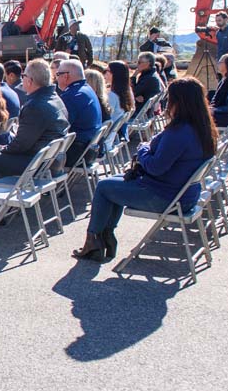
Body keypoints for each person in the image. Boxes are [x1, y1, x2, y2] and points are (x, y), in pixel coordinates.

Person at [71, 77, 215, 261]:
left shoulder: (180, 132)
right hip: (183, 193)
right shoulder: (201, 127)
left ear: (179, 101)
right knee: (112, 182)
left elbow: (156, 167)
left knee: (104, 188)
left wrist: (143, 150)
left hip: (165, 196)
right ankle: (103, 237)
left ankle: (95, 240)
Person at [0, 59, 70, 225]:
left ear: (30, 80)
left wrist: (3, 150)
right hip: (52, 160)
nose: (22, 80)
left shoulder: (36, 105)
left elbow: (21, 145)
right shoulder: (55, 98)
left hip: (36, 163)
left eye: (24, 76)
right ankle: (3, 202)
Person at [55, 59, 102, 169]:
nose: (56, 78)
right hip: (90, 150)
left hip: (77, 153)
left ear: (66, 76)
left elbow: (59, 128)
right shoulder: (87, 89)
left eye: (58, 74)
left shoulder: (72, 95)